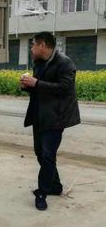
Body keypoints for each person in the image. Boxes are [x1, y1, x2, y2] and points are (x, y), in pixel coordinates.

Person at [20, 31, 80, 211]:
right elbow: (39, 88)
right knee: (40, 153)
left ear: (43, 45)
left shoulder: (65, 63)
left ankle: (42, 193)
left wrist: (36, 83)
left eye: (33, 44)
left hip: (56, 117)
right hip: (39, 115)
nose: (31, 48)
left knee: (47, 155)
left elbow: (65, 88)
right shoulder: (39, 62)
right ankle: (55, 185)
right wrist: (28, 86)